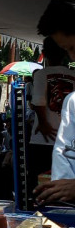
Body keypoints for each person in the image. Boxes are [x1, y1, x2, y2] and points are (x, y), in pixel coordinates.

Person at [34, 0, 75, 204]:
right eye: (67, 50)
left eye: (73, 47)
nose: (72, 57)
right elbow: (64, 164)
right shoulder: (72, 102)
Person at [28, 36, 75, 190]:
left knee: (39, 183)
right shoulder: (73, 75)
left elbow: (39, 101)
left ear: (44, 53)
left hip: (43, 138)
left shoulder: (42, 74)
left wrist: (44, 124)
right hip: (67, 140)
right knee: (62, 184)